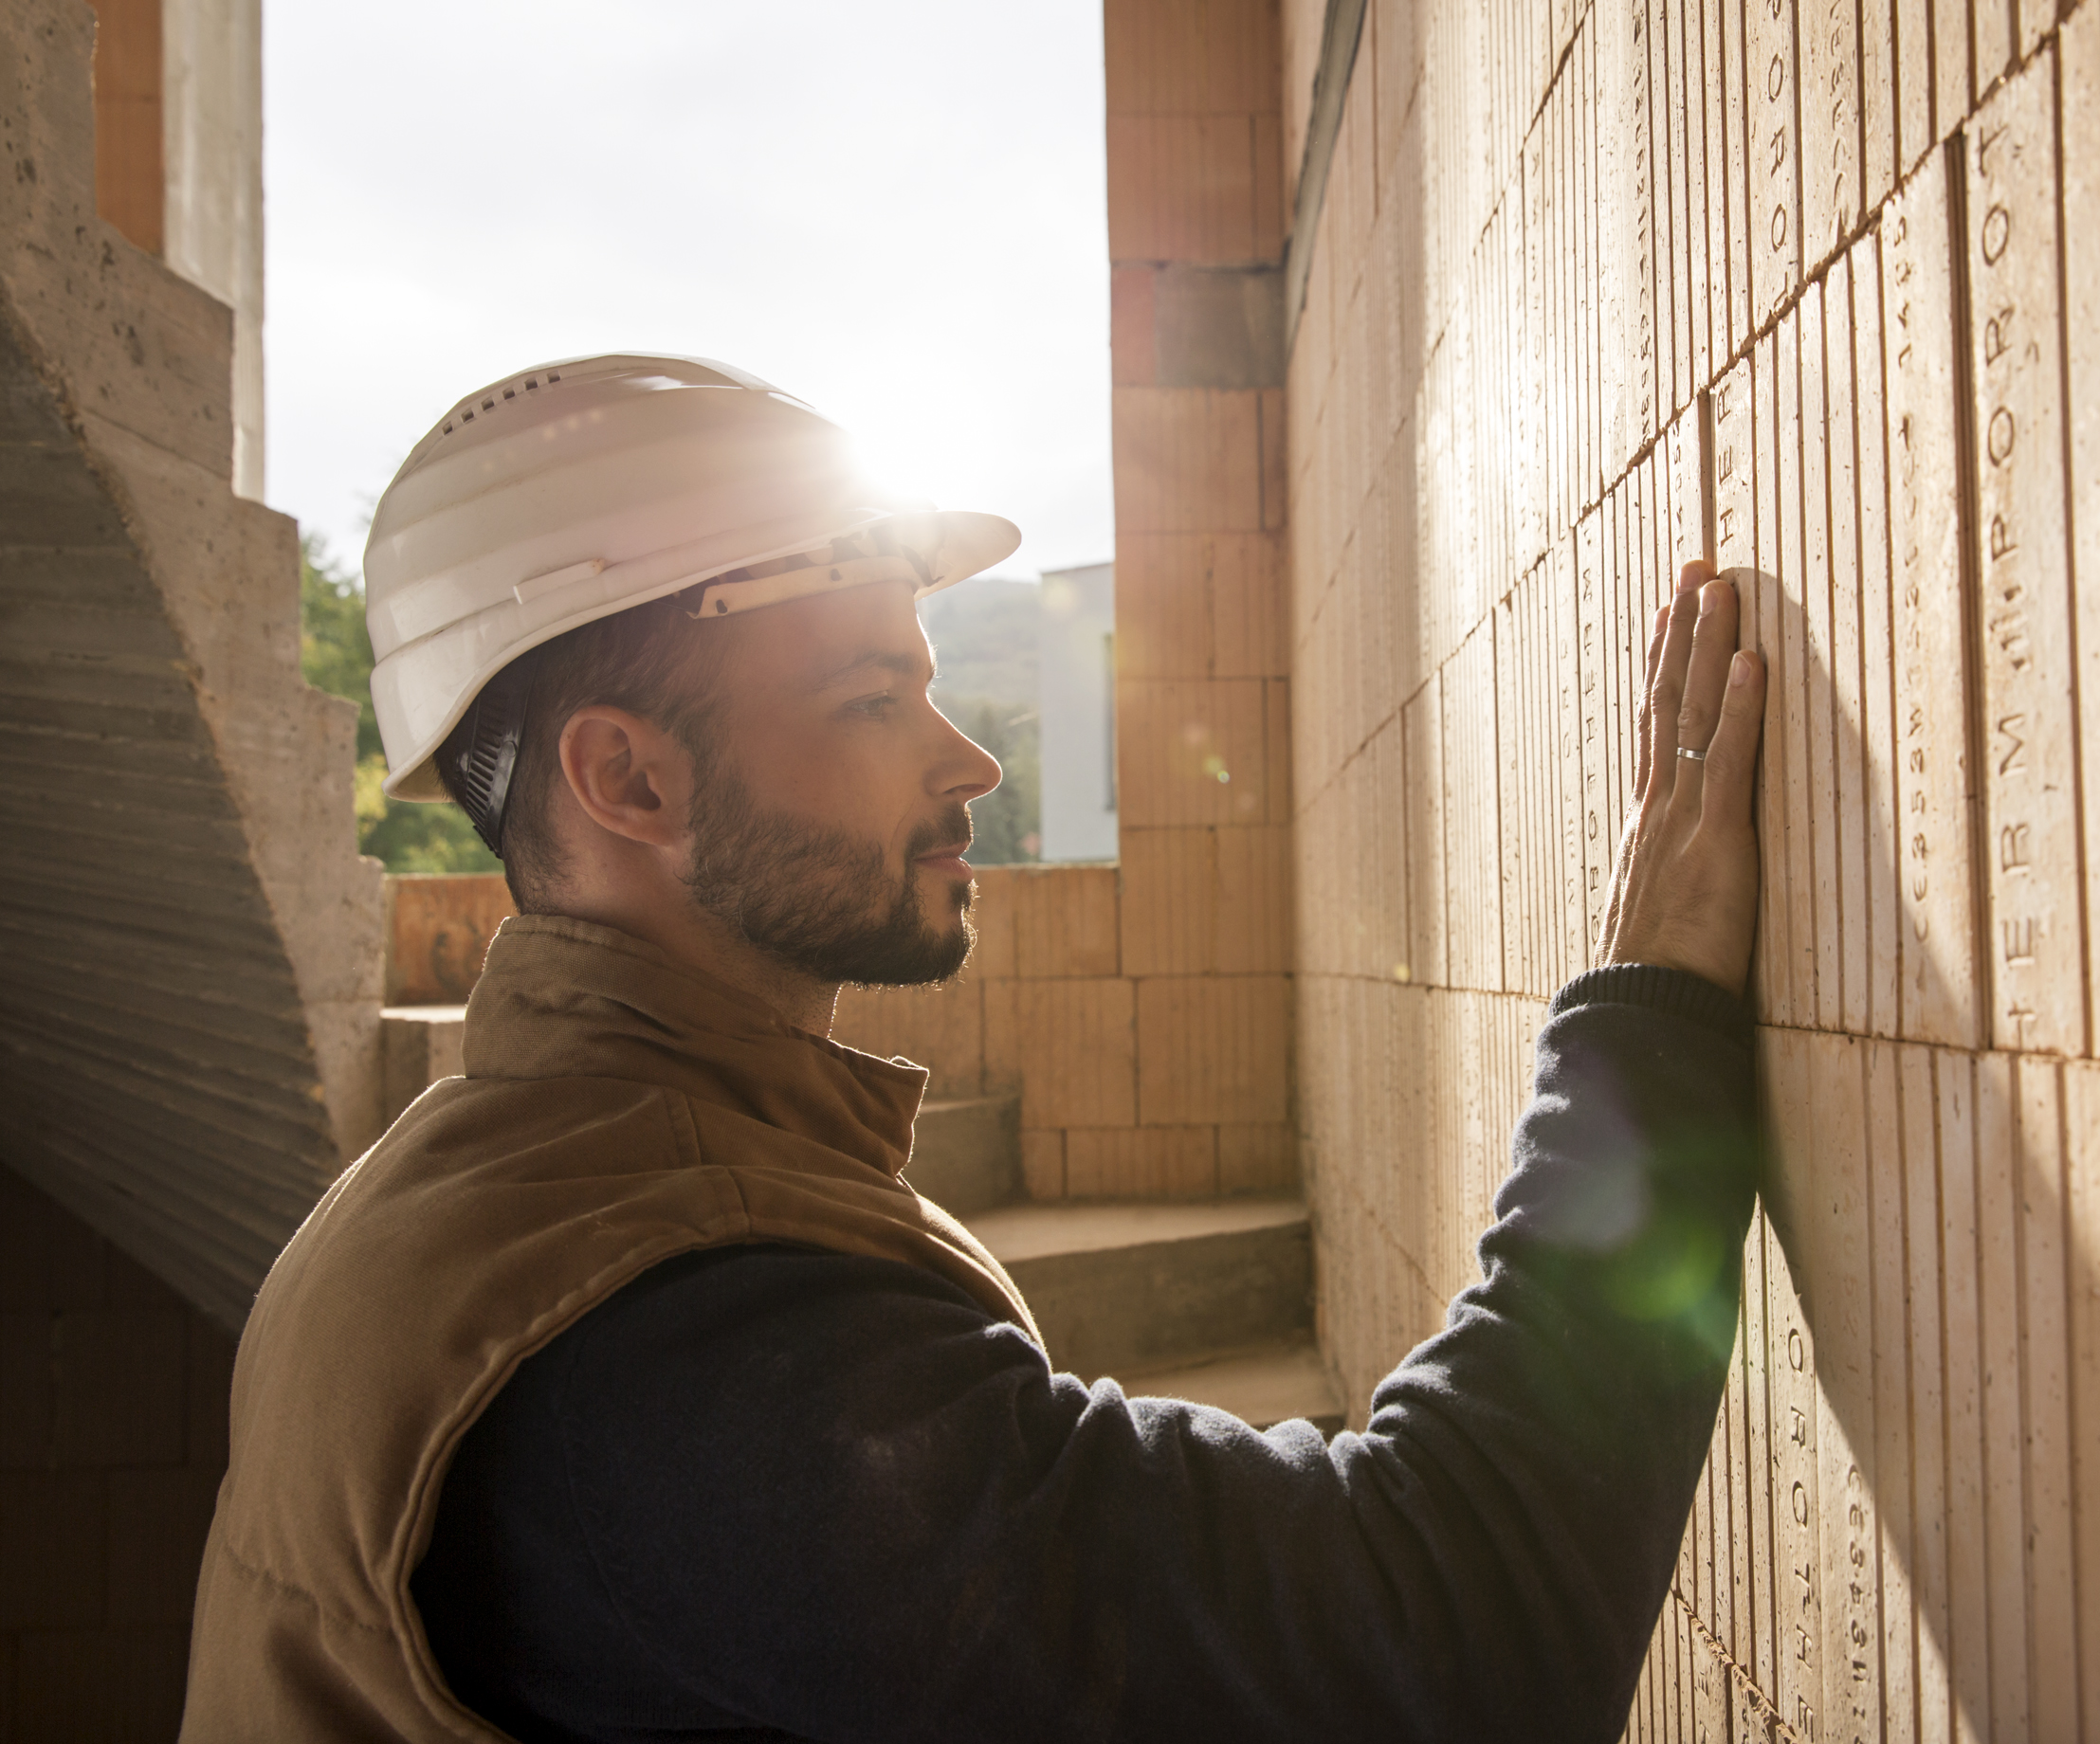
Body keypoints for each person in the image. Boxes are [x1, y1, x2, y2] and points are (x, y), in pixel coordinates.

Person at [180, 354, 1770, 1743]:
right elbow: (1439, 1643)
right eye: (875, 700)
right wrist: (1648, 1027)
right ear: (630, 782)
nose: (968, 756)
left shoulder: (524, 1197)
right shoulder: (662, 1346)